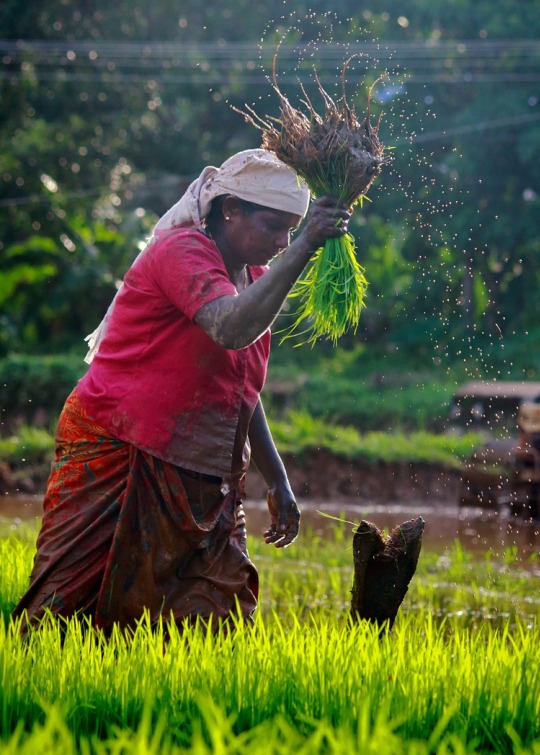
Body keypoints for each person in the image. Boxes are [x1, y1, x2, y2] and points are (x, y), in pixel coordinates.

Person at [12, 148, 352, 633]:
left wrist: (276, 477)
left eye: (292, 230)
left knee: (220, 610)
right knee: (69, 606)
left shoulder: (254, 276)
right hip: (120, 443)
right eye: (274, 226)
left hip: (204, 469)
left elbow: (241, 388)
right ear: (230, 210)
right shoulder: (181, 252)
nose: (282, 241)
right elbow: (231, 329)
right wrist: (307, 245)